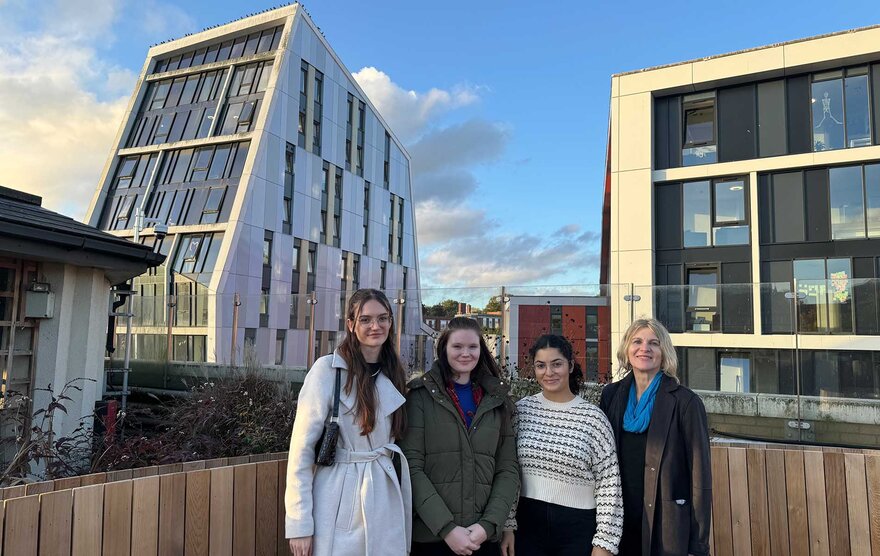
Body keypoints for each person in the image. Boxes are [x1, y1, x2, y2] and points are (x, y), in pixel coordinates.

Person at [285, 289, 411, 556]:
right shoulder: (327, 370)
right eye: (365, 319)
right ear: (351, 324)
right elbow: (301, 450)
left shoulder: (395, 372)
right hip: (337, 495)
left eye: (383, 318)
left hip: (384, 492)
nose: (375, 326)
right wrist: (299, 524)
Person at [399, 316, 520, 556]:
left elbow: (507, 469)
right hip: (432, 539)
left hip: (483, 540)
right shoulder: (419, 397)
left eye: (472, 347)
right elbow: (411, 467)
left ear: (481, 349)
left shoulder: (497, 401)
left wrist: (488, 526)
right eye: (457, 346)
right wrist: (446, 528)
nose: (465, 353)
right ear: (443, 349)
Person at [501, 334, 623, 556]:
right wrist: (508, 525)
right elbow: (510, 471)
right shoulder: (522, 411)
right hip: (528, 526)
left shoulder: (593, 418)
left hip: (578, 529)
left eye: (556, 364)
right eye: (541, 366)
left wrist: (604, 543)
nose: (549, 372)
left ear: (570, 365)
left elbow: (609, 484)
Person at [599, 318, 712, 556]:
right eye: (637, 341)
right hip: (617, 525)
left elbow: (700, 479)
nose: (644, 348)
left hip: (665, 528)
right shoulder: (611, 396)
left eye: (654, 343)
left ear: (664, 352)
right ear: (627, 349)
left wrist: (698, 547)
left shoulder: (685, 402)